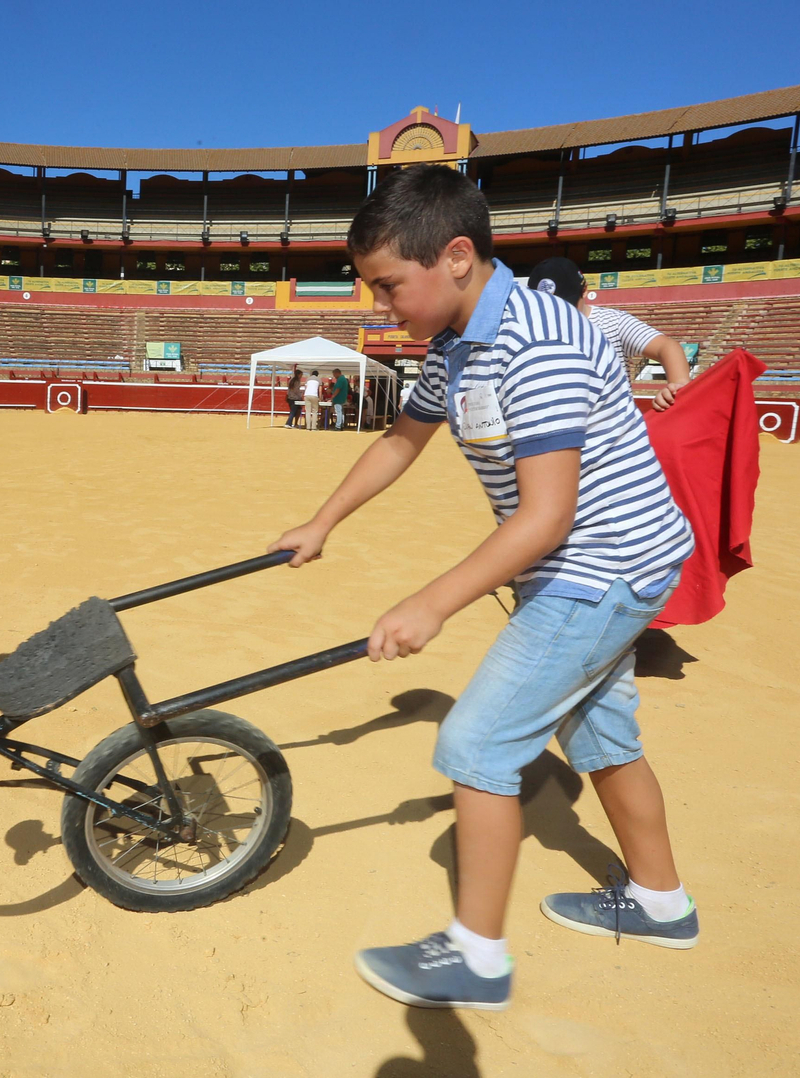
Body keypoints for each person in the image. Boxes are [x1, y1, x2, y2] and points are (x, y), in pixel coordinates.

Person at [270, 164, 697, 1011]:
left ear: (457, 257)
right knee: (599, 731)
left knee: (477, 745)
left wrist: (430, 603)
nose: (379, 305)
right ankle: (661, 902)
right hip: (594, 564)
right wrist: (322, 522)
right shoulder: (456, 341)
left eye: (389, 285)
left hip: (601, 567)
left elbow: (546, 517)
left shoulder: (538, 342)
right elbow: (402, 438)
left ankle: (476, 957)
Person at [527, 257, 692, 411]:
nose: (558, 314)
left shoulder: (613, 322)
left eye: (566, 306)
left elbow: (666, 346)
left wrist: (678, 386)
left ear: (584, 290)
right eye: (547, 308)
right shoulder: (531, 331)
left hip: (614, 426)